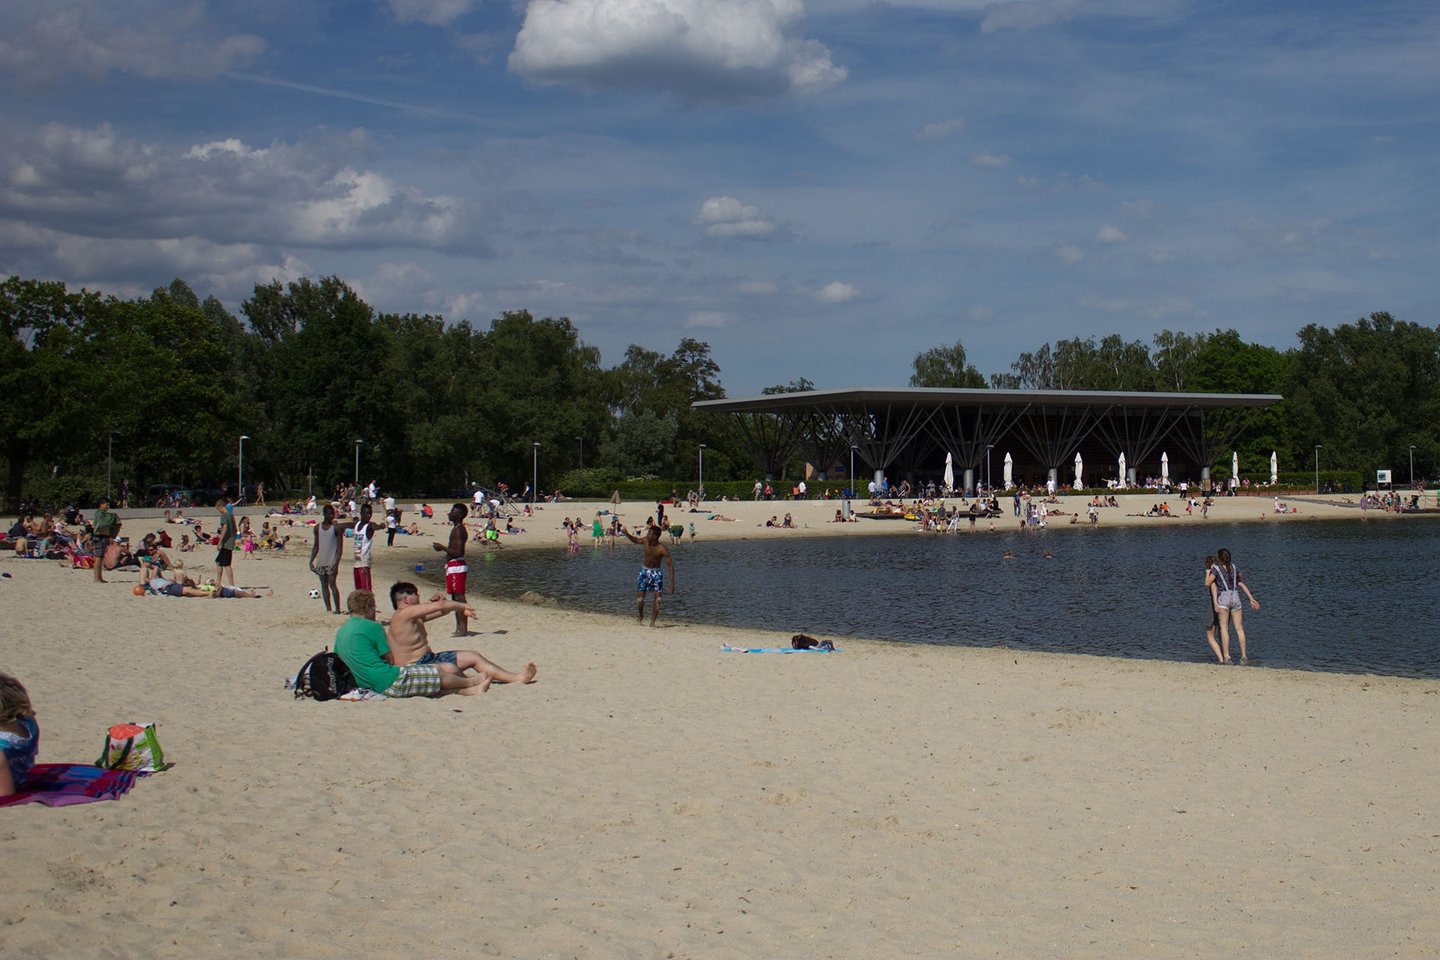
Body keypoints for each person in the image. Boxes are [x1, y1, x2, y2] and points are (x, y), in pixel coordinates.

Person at [334, 591, 488, 698]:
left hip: (363, 682)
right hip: (385, 680)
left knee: (423, 684)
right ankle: (470, 682)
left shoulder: (342, 630)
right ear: (368, 608)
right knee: (436, 673)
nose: (375, 611)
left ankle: (469, 692)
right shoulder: (373, 627)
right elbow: (390, 659)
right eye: (373, 607)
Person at [386, 582, 537, 685]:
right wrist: (462, 604)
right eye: (416, 595)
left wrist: (449, 604)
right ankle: (474, 680)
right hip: (414, 666)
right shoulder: (402, 615)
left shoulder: (413, 617)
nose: (419, 597)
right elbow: (441, 606)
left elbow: (442, 609)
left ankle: (516, 678)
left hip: (430, 658)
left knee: (473, 655)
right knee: (451, 669)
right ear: (406, 599)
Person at [1208, 547, 1260, 664]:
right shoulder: (1234, 568)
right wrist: (1251, 598)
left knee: (1224, 628)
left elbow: (1208, 583)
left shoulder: (1216, 569)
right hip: (1236, 596)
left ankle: (1227, 656)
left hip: (1224, 598)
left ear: (1219, 558)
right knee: (1239, 628)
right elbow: (1240, 583)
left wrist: (1209, 571)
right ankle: (1243, 656)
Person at [619, 522, 675, 626]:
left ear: (655, 536)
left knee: (658, 600)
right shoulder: (645, 541)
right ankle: (641, 615)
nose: (647, 535)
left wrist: (671, 584)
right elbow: (636, 540)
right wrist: (627, 534)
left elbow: (670, 566)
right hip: (645, 572)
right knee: (640, 600)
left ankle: (652, 622)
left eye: (649, 533)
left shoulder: (662, 549)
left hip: (656, 574)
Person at [433, 503, 470, 636]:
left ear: (459, 515)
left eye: (453, 512)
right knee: (455, 597)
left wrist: (442, 547)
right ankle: (459, 627)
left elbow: (459, 551)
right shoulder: (456, 528)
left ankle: (463, 628)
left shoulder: (459, 530)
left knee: (459, 597)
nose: (450, 514)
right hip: (453, 566)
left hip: (457, 565)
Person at [0, 672, 39, 796]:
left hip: (7, 780)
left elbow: (5, 795)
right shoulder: (29, 722)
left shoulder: (1, 752)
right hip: (21, 775)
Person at [309, 503, 344, 615]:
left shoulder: (336, 528)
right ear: (324, 514)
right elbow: (316, 546)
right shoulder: (317, 528)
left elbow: (339, 548)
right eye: (330, 514)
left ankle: (337, 609)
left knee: (332, 584)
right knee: (324, 586)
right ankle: (328, 609)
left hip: (331, 561)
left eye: (333, 514)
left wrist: (336, 563)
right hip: (321, 561)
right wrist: (311, 561)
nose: (332, 516)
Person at [352, 503, 382, 593]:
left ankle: (370, 606)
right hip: (356, 561)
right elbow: (348, 524)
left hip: (364, 562)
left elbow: (375, 526)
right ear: (361, 513)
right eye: (366, 513)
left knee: (366, 588)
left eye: (370, 513)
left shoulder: (369, 527)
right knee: (358, 588)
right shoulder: (357, 525)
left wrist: (381, 526)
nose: (368, 515)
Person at [91, 497, 121, 583]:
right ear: (101, 504)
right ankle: (97, 578)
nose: (108, 506)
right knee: (98, 557)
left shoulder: (104, 514)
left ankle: (99, 577)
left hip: (103, 537)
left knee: (100, 557)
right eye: (106, 504)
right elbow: (101, 524)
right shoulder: (100, 513)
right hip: (99, 537)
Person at [1201, 554, 1225, 664]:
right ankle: (1226, 656)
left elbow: (1211, 585)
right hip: (1224, 604)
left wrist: (1207, 574)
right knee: (1221, 632)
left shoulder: (1213, 573)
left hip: (1215, 604)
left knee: (1210, 635)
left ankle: (1221, 659)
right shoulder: (1222, 571)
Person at [215, 501, 238, 587]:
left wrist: (220, 541)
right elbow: (235, 529)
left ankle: (231, 584)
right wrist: (234, 538)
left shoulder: (224, 515)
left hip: (226, 543)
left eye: (218, 509)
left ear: (220, 506)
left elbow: (225, 528)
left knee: (226, 564)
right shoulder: (231, 515)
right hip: (231, 541)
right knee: (218, 561)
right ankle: (218, 581)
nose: (218, 511)